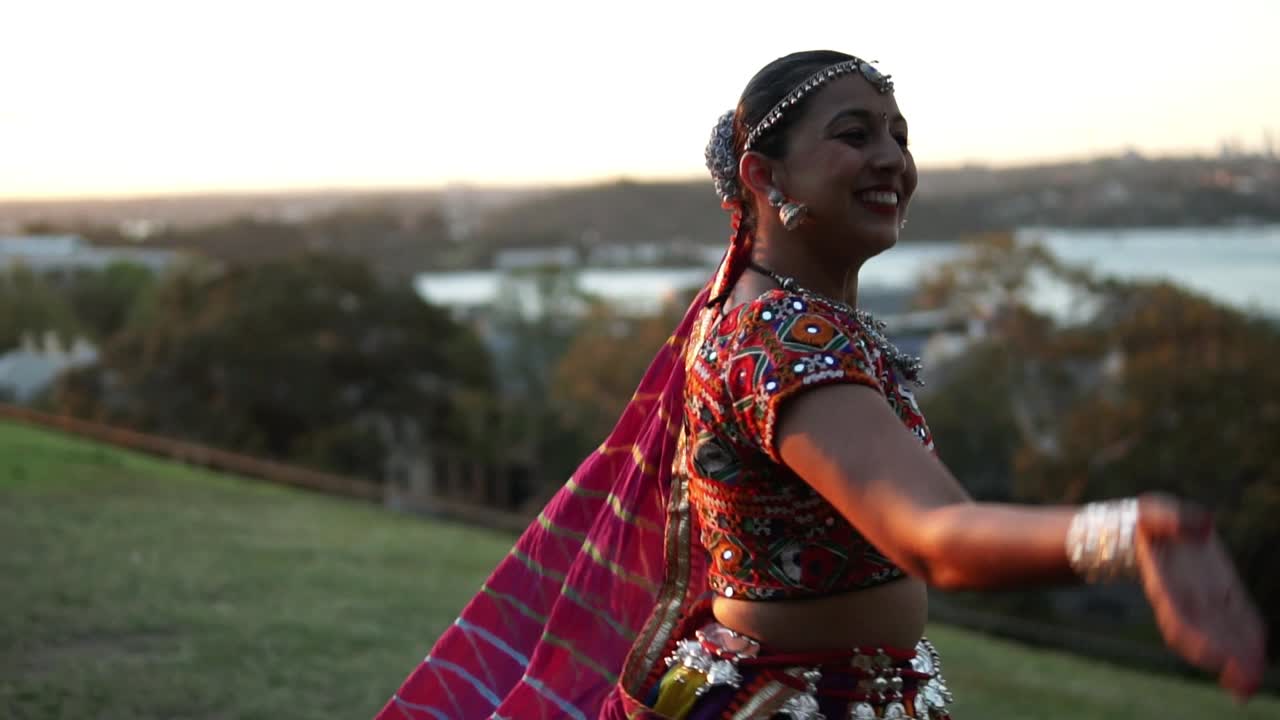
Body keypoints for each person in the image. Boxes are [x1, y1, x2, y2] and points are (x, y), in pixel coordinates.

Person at [376, 50, 1266, 720]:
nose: (893, 161)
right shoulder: (779, 337)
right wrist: (1128, 534)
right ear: (765, 177)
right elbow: (938, 535)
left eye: (900, 137)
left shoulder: (776, 315)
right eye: (855, 136)